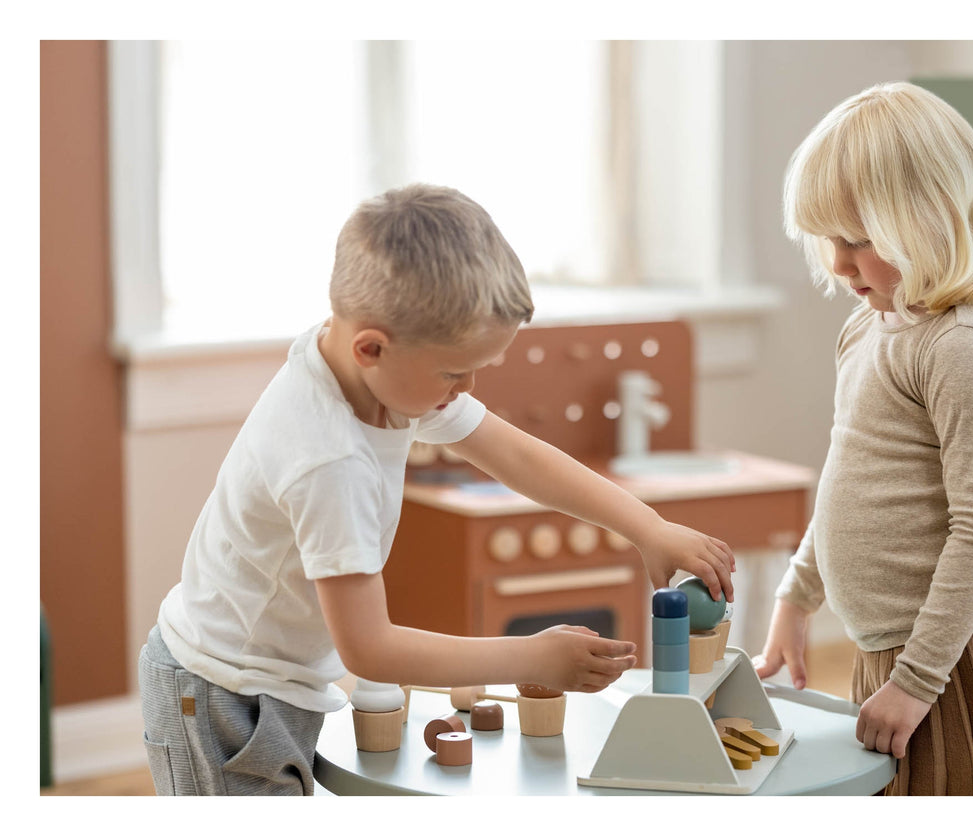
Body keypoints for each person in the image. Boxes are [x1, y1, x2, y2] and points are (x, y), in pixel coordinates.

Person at [138, 183, 736, 795]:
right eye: (454, 371)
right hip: (220, 697)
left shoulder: (364, 371)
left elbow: (515, 454)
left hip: (267, 685)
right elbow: (370, 649)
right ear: (371, 346)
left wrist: (647, 527)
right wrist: (530, 659)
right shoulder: (328, 459)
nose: (468, 385)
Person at [752, 82, 973, 795]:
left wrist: (916, 681)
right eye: (827, 239)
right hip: (888, 648)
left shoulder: (961, 348)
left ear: (929, 223)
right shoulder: (866, 329)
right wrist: (797, 597)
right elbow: (847, 480)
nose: (839, 263)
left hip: (953, 657)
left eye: (858, 240)